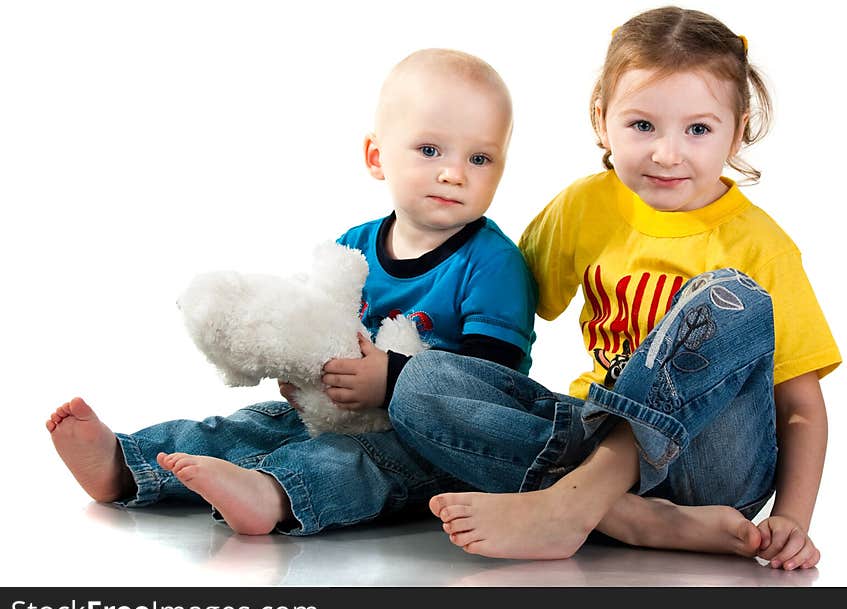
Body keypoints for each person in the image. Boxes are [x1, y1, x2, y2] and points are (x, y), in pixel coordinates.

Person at [388, 7, 840, 570]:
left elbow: (799, 407)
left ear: (739, 128)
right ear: (602, 121)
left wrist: (793, 520)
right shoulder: (585, 206)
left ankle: (578, 501)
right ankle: (625, 515)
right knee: (418, 382)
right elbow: (497, 296)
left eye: (698, 129)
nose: (667, 153)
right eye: (642, 125)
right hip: (588, 438)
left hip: (713, 469)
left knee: (732, 297)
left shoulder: (760, 246)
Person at [45, 48, 537, 536]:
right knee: (254, 424)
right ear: (376, 156)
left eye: (480, 157)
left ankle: (274, 494)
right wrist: (303, 376)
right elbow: (316, 322)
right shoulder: (356, 247)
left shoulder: (493, 264)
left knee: (362, 463)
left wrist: (390, 382)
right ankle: (127, 463)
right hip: (341, 414)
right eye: (430, 150)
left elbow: (491, 389)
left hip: (435, 441)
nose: (454, 172)